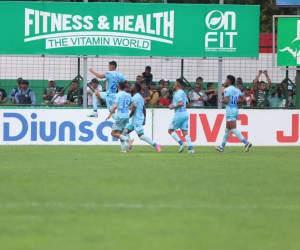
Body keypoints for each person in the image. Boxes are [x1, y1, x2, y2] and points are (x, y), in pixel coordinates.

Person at [216, 75, 252, 153]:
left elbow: (226, 100)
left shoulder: (227, 89)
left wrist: (221, 100)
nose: (225, 81)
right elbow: (243, 99)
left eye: (226, 80)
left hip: (230, 110)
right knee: (227, 130)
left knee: (233, 128)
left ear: (229, 81)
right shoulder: (237, 90)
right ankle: (221, 146)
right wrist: (235, 101)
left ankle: (246, 143)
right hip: (235, 109)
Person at [123, 83, 161, 152]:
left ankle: (156, 145)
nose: (131, 87)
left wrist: (128, 117)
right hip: (136, 118)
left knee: (141, 136)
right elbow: (143, 108)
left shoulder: (135, 97)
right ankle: (129, 144)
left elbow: (134, 109)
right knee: (124, 131)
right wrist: (144, 118)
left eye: (132, 86)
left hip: (137, 119)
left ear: (135, 88)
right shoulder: (139, 97)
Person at [168, 78, 194, 154]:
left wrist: (173, 106)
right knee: (185, 132)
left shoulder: (178, 93)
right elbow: (187, 104)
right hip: (185, 113)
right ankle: (190, 149)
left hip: (179, 114)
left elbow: (181, 103)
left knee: (170, 130)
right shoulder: (183, 92)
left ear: (178, 84)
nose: (174, 84)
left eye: (175, 83)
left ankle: (181, 143)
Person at [106, 81, 132, 153]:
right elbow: (131, 105)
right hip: (126, 116)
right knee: (120, 133)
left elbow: (115, 106)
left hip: (120, 116)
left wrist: (110, 114)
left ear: (119, 87)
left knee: (113, 133)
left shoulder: (118, 95)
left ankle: (127, 139)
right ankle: (123, 149)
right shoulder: (128, 95)